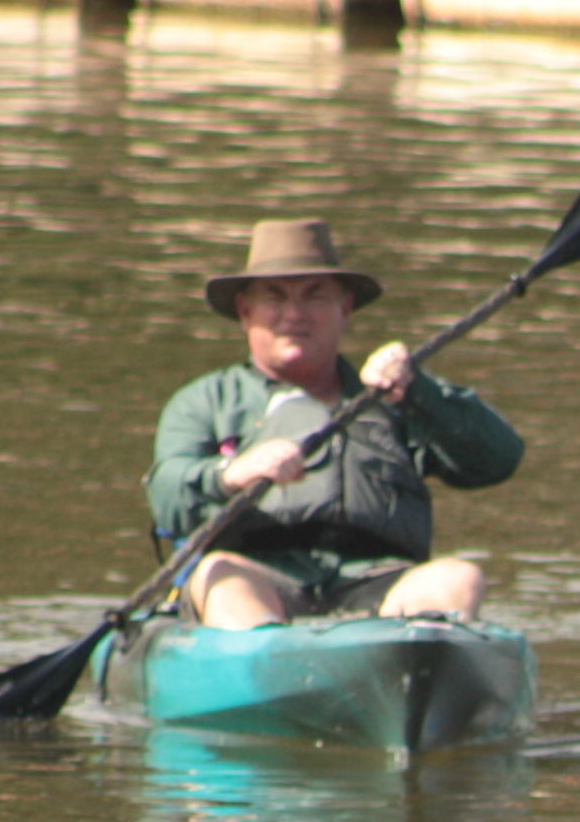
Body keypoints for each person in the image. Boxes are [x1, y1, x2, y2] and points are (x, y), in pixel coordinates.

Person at [145, 217, 527, 629]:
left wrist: (420, 391)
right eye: (275, 297)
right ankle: (263, 668)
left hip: (381, 584)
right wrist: (231, 474)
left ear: (344, 308)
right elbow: (167, 495)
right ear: (245, 310)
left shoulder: (393, 395)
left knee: (459, 577)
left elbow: (497, 460)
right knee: (219, 574)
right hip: (260, 580)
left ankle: (413, 667)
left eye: (314, 297)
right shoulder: (204, 402)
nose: (294, 314)